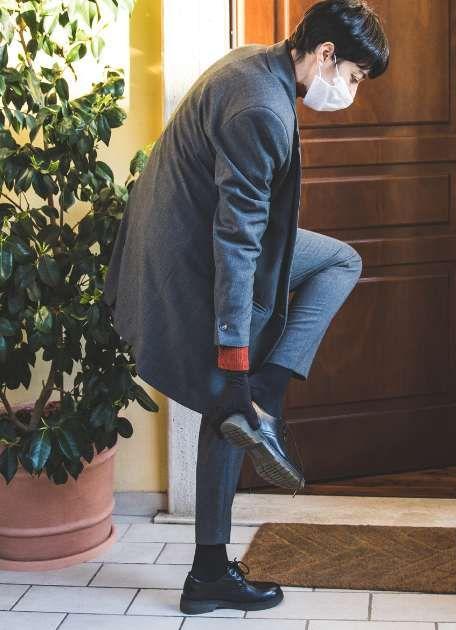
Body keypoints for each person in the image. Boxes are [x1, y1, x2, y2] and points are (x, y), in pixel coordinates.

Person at [101, 0, 389, 615]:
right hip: (189, 261)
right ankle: (260, 410)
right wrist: (234, 360)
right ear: (327, 55)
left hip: (181, 237)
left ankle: (260, 409)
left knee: (337, 263)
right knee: (228, 406)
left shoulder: (254, 66)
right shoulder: (261, 106)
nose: (352, 94)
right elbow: (238, 238)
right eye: (356, 78)